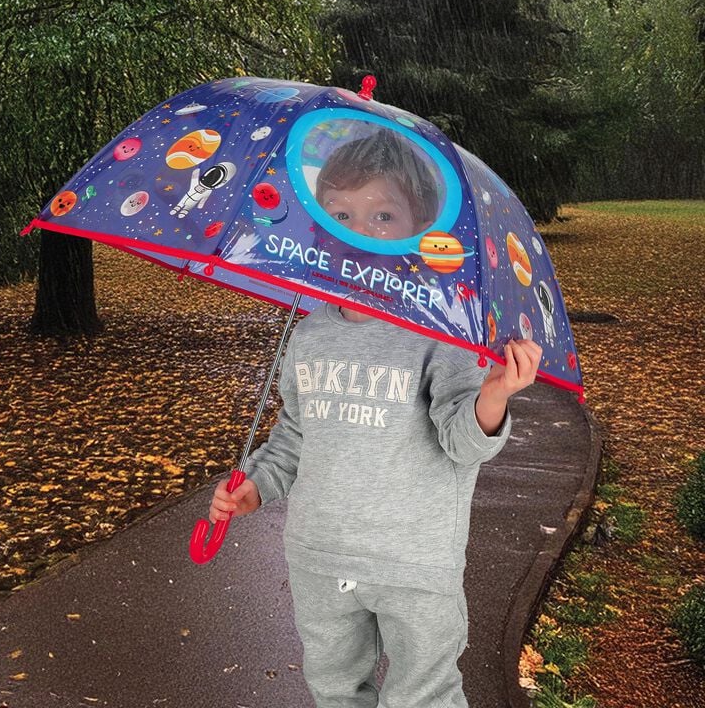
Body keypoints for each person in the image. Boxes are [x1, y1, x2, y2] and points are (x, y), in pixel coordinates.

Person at [208, 129, 542, 708]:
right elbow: (294, 432)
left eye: (382, 216)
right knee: (336, 689)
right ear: (318, 222)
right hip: (318, 555)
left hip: (414, 563)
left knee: (423, 696)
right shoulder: (308, 332)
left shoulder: (441, 336)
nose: (358, 230)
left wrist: (493, 396)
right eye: (340, 212)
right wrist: (256, 487)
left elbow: (462, 443)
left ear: (419, 229)